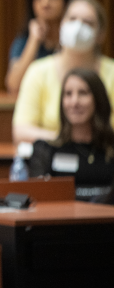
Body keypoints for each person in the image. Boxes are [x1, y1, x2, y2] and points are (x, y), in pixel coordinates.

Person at [13, 0, 114, 144]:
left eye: (88, 22)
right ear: (62, 26)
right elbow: (21, 132)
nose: (78, 27)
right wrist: (68, 141)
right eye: (72, 19)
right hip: (50, 158)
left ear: (101, 34)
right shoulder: (38, 71)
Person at [29, 69, 114, 203]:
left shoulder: (110, 148)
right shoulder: (46, 150)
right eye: (68, 94)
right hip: (63, 222)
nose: (74, 102)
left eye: (83, 93)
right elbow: (38, 200)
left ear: (98, 99)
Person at [6, 0, 75, 94]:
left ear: (65, 1)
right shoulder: (23, 41)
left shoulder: (76, 38)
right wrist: (34, 40)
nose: (45, 2)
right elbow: (14, 86)